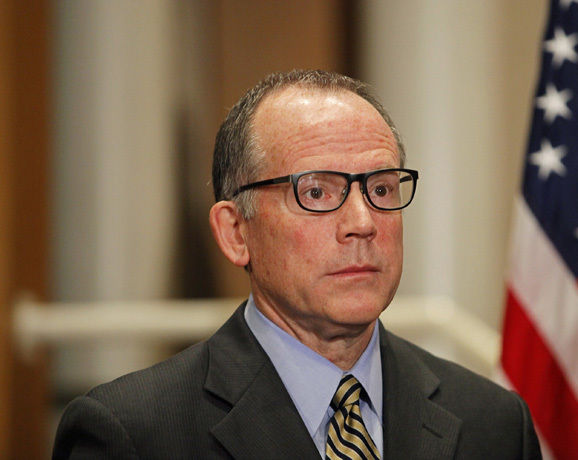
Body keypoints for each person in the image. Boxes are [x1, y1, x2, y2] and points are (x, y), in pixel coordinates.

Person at [53, 69, 542, 459]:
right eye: (316, 192)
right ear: (235, 232)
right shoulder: (132, 434)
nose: (362, 221)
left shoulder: (494, 423)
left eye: (380, 189)